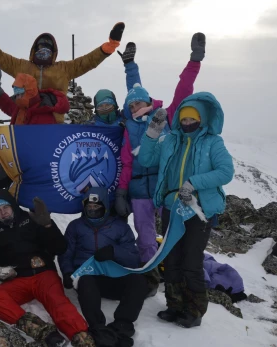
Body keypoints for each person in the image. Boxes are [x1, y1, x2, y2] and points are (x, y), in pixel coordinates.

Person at [139, 92, 234, 328]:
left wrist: (193, 183)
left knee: (191, 261)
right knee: (171, 259)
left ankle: (194, 310)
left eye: (193, 119)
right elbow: (146, 159)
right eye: (184, 119)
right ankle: (174, 306)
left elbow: (226, 172)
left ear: (201, 119)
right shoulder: (170, 140)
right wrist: (152, 133)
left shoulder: (213, 142)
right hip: (172, 208)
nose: (188, 123)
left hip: (198, 211)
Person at [116, 33, 206, 268]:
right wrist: (121, 191)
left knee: (173, 232)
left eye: (139, 102)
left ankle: (175, 270)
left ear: (148, 101)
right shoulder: (129, 127)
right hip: (138, 190)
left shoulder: (166, 116)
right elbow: (126, 162)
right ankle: (150, 274)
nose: (135, 107)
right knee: (145, 236)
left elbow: (184, 89)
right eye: (131, 104)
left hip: (165, 187)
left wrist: (194, 61)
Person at [0, 11, 125, 123]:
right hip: (25, 122)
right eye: (41, 50)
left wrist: (109, 46)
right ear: (34, 50)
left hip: (52, 124)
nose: (43, 53)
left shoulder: (64, 69)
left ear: (53, 53)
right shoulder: (22, 66)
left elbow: (88, 61)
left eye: (47, 50)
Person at [0, 190, 94, 347]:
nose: (3, 213)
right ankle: (42, 331)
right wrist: (0, 270)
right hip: (18, 279)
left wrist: (48, 226)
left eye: (5, 208)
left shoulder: (33, 219)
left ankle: (81, 338)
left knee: (57, 302)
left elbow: (60, 248)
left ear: (13, 206)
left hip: (43, 274)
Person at [59, 187, 148, 347]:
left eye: (96, 207)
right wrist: (67, 272)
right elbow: (66, 253)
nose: (92, 210)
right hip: (89, 279)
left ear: (105, 206)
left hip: (114, 278)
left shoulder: (120, 227)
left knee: (138, 281)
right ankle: (98, 328)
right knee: (86, 282)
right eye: (89, 207)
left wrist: (114, 252)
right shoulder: (75, 227)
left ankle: (122, 324)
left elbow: (133, 258)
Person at [0, 64, 70, 191]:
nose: (17, 96)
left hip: (35, 168)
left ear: (29, 91)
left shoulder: (44, 113)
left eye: (20, 93)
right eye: (16, 93)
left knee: (34, 201)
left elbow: (44, 146)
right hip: (14, 163)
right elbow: (9, 107)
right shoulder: (21, 108)